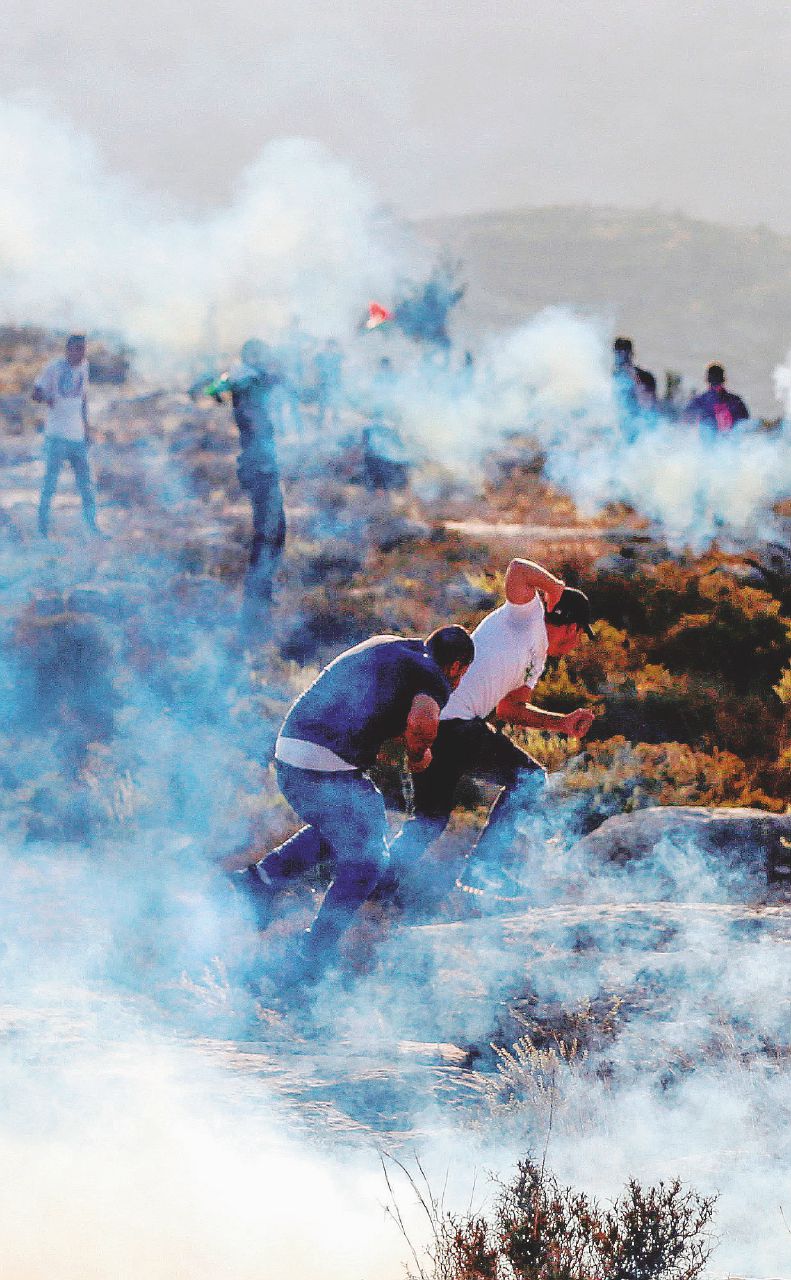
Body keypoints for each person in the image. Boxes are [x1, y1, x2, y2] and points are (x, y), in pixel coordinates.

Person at [237, 625, 475, 976]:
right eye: (461, 675)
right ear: (456, 667)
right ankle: (313, 954)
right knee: (369, 856)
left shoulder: (389, 644)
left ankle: (260, 882)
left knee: (353, 824)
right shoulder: (434, 676)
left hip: (290, 749)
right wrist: (418, 752)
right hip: (323, 762)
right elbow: (423, 720)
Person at [385, 559, 596, 902]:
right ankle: (484, 867)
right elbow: (517, 569)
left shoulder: (537, 659)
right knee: (530, 779)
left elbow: (510, 709)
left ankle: (377, 888)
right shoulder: (525, 617)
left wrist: (561, 722)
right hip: (452, 723)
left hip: (443, 725)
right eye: (578, 637)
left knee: (430, 820)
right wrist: (555, 588)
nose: (574, 646)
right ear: (571, 628)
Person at [194, 339, 286, 625]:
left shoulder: (242, 378)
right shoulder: (248, 379)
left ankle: (261, 594)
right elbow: (261, 381)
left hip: (261, 464)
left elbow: (213, 388)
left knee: (275, 531)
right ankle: (256, 603)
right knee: (270, 532)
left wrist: (219, 389)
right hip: (258, 466)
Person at [32, 334, 100, 537]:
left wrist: (87, 428)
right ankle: (42, 529)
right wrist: (47, 398)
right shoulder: (53, 368)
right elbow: (35, 393)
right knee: (50, 484)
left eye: (83, 349)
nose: (81, 353)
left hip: (77, 437)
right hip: (56, 437)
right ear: (67, 350)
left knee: (86, 485)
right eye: (77, 349)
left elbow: (83, 398)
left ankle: (92, 526)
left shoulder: (84, 366)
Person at [684, 364, 749, 432]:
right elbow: (745, 422)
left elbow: (686, 420)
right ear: (724, 379)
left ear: (707, 380)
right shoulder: (736, 400)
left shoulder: (699, 401)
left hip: (708, 440)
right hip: (731, 439)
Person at [612, 337, 657, 415]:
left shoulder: (645, 377)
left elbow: (649, 404)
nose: (622, 357)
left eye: (624, 353)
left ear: (631, 354)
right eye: (619, 353)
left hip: (640, 420)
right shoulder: (611, 379)